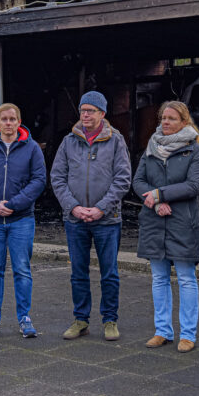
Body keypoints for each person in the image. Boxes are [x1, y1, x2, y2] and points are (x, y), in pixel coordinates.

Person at [51, 90, 131, 341]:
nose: (85, 114)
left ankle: (110, 320)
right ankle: (81, 320)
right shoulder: (68, 142)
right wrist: (73, 207)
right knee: (78, 272)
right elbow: (57, 177)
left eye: (90, 111)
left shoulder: (116, 141)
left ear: (102, 114)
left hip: (106, 220)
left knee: (109, 272)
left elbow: (122, 179)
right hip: (75, 220)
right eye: (83, 110)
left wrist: (101, 208)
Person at [133, 101, 199, 353]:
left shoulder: (194, 150)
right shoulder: (151, 147)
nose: (165, 122)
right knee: (159, 278)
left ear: (184, 122)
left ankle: (188, 334)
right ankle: (162, 330)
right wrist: (155, 202)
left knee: (186, 279)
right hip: (154, 220)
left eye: (172, 118)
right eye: (163, 117)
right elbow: (138, 181)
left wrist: (160, 195)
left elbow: (195, 185)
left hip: (182, 221)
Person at [0, 103, 47, 339]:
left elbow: (39, 180)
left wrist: (14, 204)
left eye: (13, 119)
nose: (8, 123)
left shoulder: (32, 148)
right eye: (4, 119)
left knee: (22, 270)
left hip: (21, 219)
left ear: (19, 122)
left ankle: (25, 318)